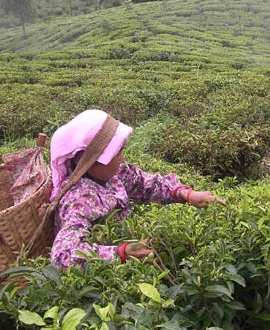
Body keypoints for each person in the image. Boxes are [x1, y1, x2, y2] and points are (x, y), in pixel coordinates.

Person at [49, 109, 226, 268]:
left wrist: (186, 194)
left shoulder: (115, 173)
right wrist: (121, 253)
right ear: (91, 162)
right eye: (116, 154)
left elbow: (146, 184)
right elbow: (63, 256)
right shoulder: (79, 200)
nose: (121, 159)